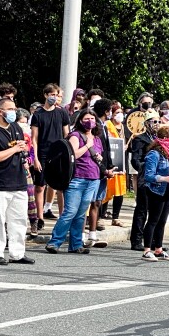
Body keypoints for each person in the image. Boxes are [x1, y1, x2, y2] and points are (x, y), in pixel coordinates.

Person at [0, 98, 35, 266]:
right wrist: (14, 149)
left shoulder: (16, 127)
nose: (14, 111)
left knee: (19, 220)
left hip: (18, 181)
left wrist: (23, 150)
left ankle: (17, 253)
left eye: (15, 107)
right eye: (10, 108)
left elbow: (22, 149)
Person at [45, 110, 106, 255]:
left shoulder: (97, 138)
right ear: (80, 120)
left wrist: (99, 158)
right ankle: (55, 242)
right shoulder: (76, 136)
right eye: (86, 118)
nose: (90, 121)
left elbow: (99, 156)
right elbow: (71, 155)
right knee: (70, 211)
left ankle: (76, 244)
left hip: (93, 178)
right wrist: (86, 146)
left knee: (80, 213)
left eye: (92, 118)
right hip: (77, 178)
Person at [30, 84, 70, 223]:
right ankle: (39, 218)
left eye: (56, 94)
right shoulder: (38, 114)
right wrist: (34, 158)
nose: (54, 97)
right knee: (40, 186)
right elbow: (34, 138)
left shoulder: (62, 113)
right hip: (42, 153)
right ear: (46, 95)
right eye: (51, 94)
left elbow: (67, 135)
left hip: (58, 154)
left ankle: (63, 218)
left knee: (61, 187)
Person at [140, 126, 169, 262]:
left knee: (162, 221)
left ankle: (158, 249)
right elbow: (149, 175)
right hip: (156, 190)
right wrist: (163, 178)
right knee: (153, 221)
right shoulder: (154, 154)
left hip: (168, 190)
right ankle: (146, 250)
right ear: (163, 139)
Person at [86, 98, 116, 248]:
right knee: (91, 201)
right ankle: (85, 234)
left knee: (97, 201)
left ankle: (93, 234)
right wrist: (103, 168)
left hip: (104, 168)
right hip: (96, 168)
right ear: (106, 111)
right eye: (110, 110)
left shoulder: (104, 125)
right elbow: (96, 149)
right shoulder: (95, 126)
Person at [129, 110, 160, 249]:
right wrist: (147, 167)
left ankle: (152, 241)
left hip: (158, 180)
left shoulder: (158, 139)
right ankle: (136, 240)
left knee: (156, 211)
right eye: (154, 122)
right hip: (145, 178)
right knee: (142, 210)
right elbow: (135, 160)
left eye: (158, 121)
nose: (157, 124)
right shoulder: (140, 139)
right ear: (147, 123)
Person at [103, 101, 127, 227]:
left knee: (120, 190)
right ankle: (101, 216)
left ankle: (116, 217)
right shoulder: (107, 125)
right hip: (110, 161)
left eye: (121, 113)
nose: (120, 115)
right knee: (107, 190)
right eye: (117, 113)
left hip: (121, 161)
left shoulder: (124, 127)